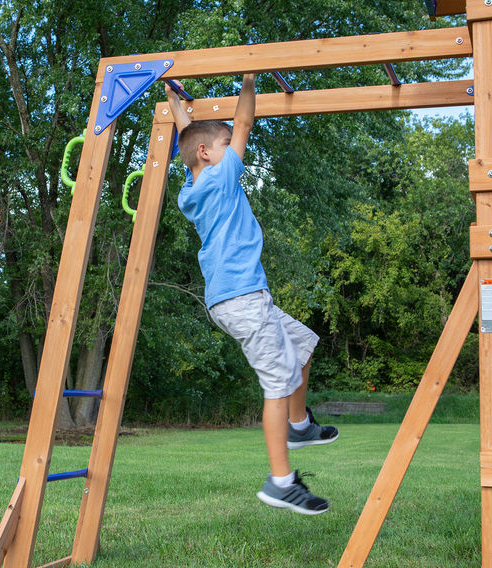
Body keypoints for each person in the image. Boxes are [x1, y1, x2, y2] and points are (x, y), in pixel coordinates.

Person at [165, 75, 338, 515]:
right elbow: (242, 122)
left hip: (237, 297)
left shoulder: (192, 188)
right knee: (278, 382)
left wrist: (175, 102)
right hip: (241, 297)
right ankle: (281, 482)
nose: (234, 146)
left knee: (303, 344)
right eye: (226, 144)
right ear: (210, 153)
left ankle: (298, 426)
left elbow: (192, 141)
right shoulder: (221, 178)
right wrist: (248, 78)